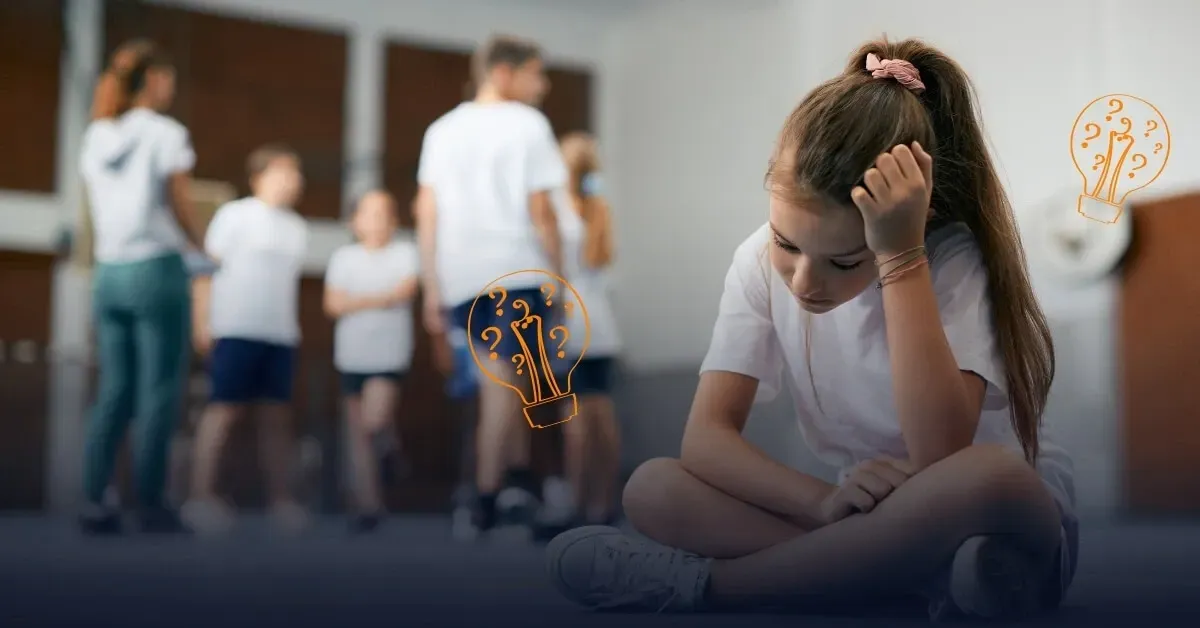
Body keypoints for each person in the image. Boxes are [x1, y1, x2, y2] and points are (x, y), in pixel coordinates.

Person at [545, 37, 1077, 620]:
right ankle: (896, 580)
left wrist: (900, 256)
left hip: (987, 515)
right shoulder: (753, 261)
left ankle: (713, 587)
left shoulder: (949, 258)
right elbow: (706, 441)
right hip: (865, 515)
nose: (803, 281)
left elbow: (941, 450)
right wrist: (824, 501)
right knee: (653, 488)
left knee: (990, 474)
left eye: (845, 262)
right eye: (785, 243)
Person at [415, 33, 567, 539]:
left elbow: (428, 212)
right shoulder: (528, 124)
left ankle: (517, 485)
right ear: (504, 73)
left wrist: (433, 285)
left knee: (508, 380)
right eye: (535, 74)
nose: (541, 86)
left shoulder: (441, 130)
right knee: (506, 381)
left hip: (463, 278)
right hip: (516, 270)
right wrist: (561, 282)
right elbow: (543, 211)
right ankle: (482, 497)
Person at [78, 39, 207, 535]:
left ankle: (95, 497)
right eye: (167, 78)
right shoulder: (166, 132)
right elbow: (178, 198)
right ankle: (150, 501)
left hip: (108, 273)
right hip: (155, 269)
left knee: (114, 388)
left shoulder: (96, 134)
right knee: (158, 390)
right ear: (152, 80)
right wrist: (202, 247)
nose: (170, 88)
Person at [182, 144, 311, 536]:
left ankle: (281, 500)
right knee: (223, 413)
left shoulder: (297, 228)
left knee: (276, 419)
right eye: (284, 171)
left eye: (296, 173)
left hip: (280, 335)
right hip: (234, 329)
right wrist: (202, 322)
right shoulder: (234, 216)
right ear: (260, 177)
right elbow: (205, 272)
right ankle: (201, 496)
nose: (293, 181)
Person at [536, 133, 623, 536]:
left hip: (569, 325)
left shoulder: (557, 210)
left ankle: (575, 504)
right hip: (601, 325)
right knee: (600, 417)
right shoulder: (599, 209)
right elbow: (603, 260)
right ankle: (601, 504)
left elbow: (551, 275)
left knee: (575, 420)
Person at [323, 190, 418, 533]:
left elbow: (405, 292)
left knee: (374, 421)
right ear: (355, 221)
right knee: (358, 434)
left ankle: (390, 448)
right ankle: (369, 504)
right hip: (351, 354)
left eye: (384, 214)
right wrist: (383, 298)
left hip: (388, 353)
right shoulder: (344, 257)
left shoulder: (406, 253)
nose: (377, 221)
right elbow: (333, 305)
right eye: (370, 214)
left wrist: (356, 301)